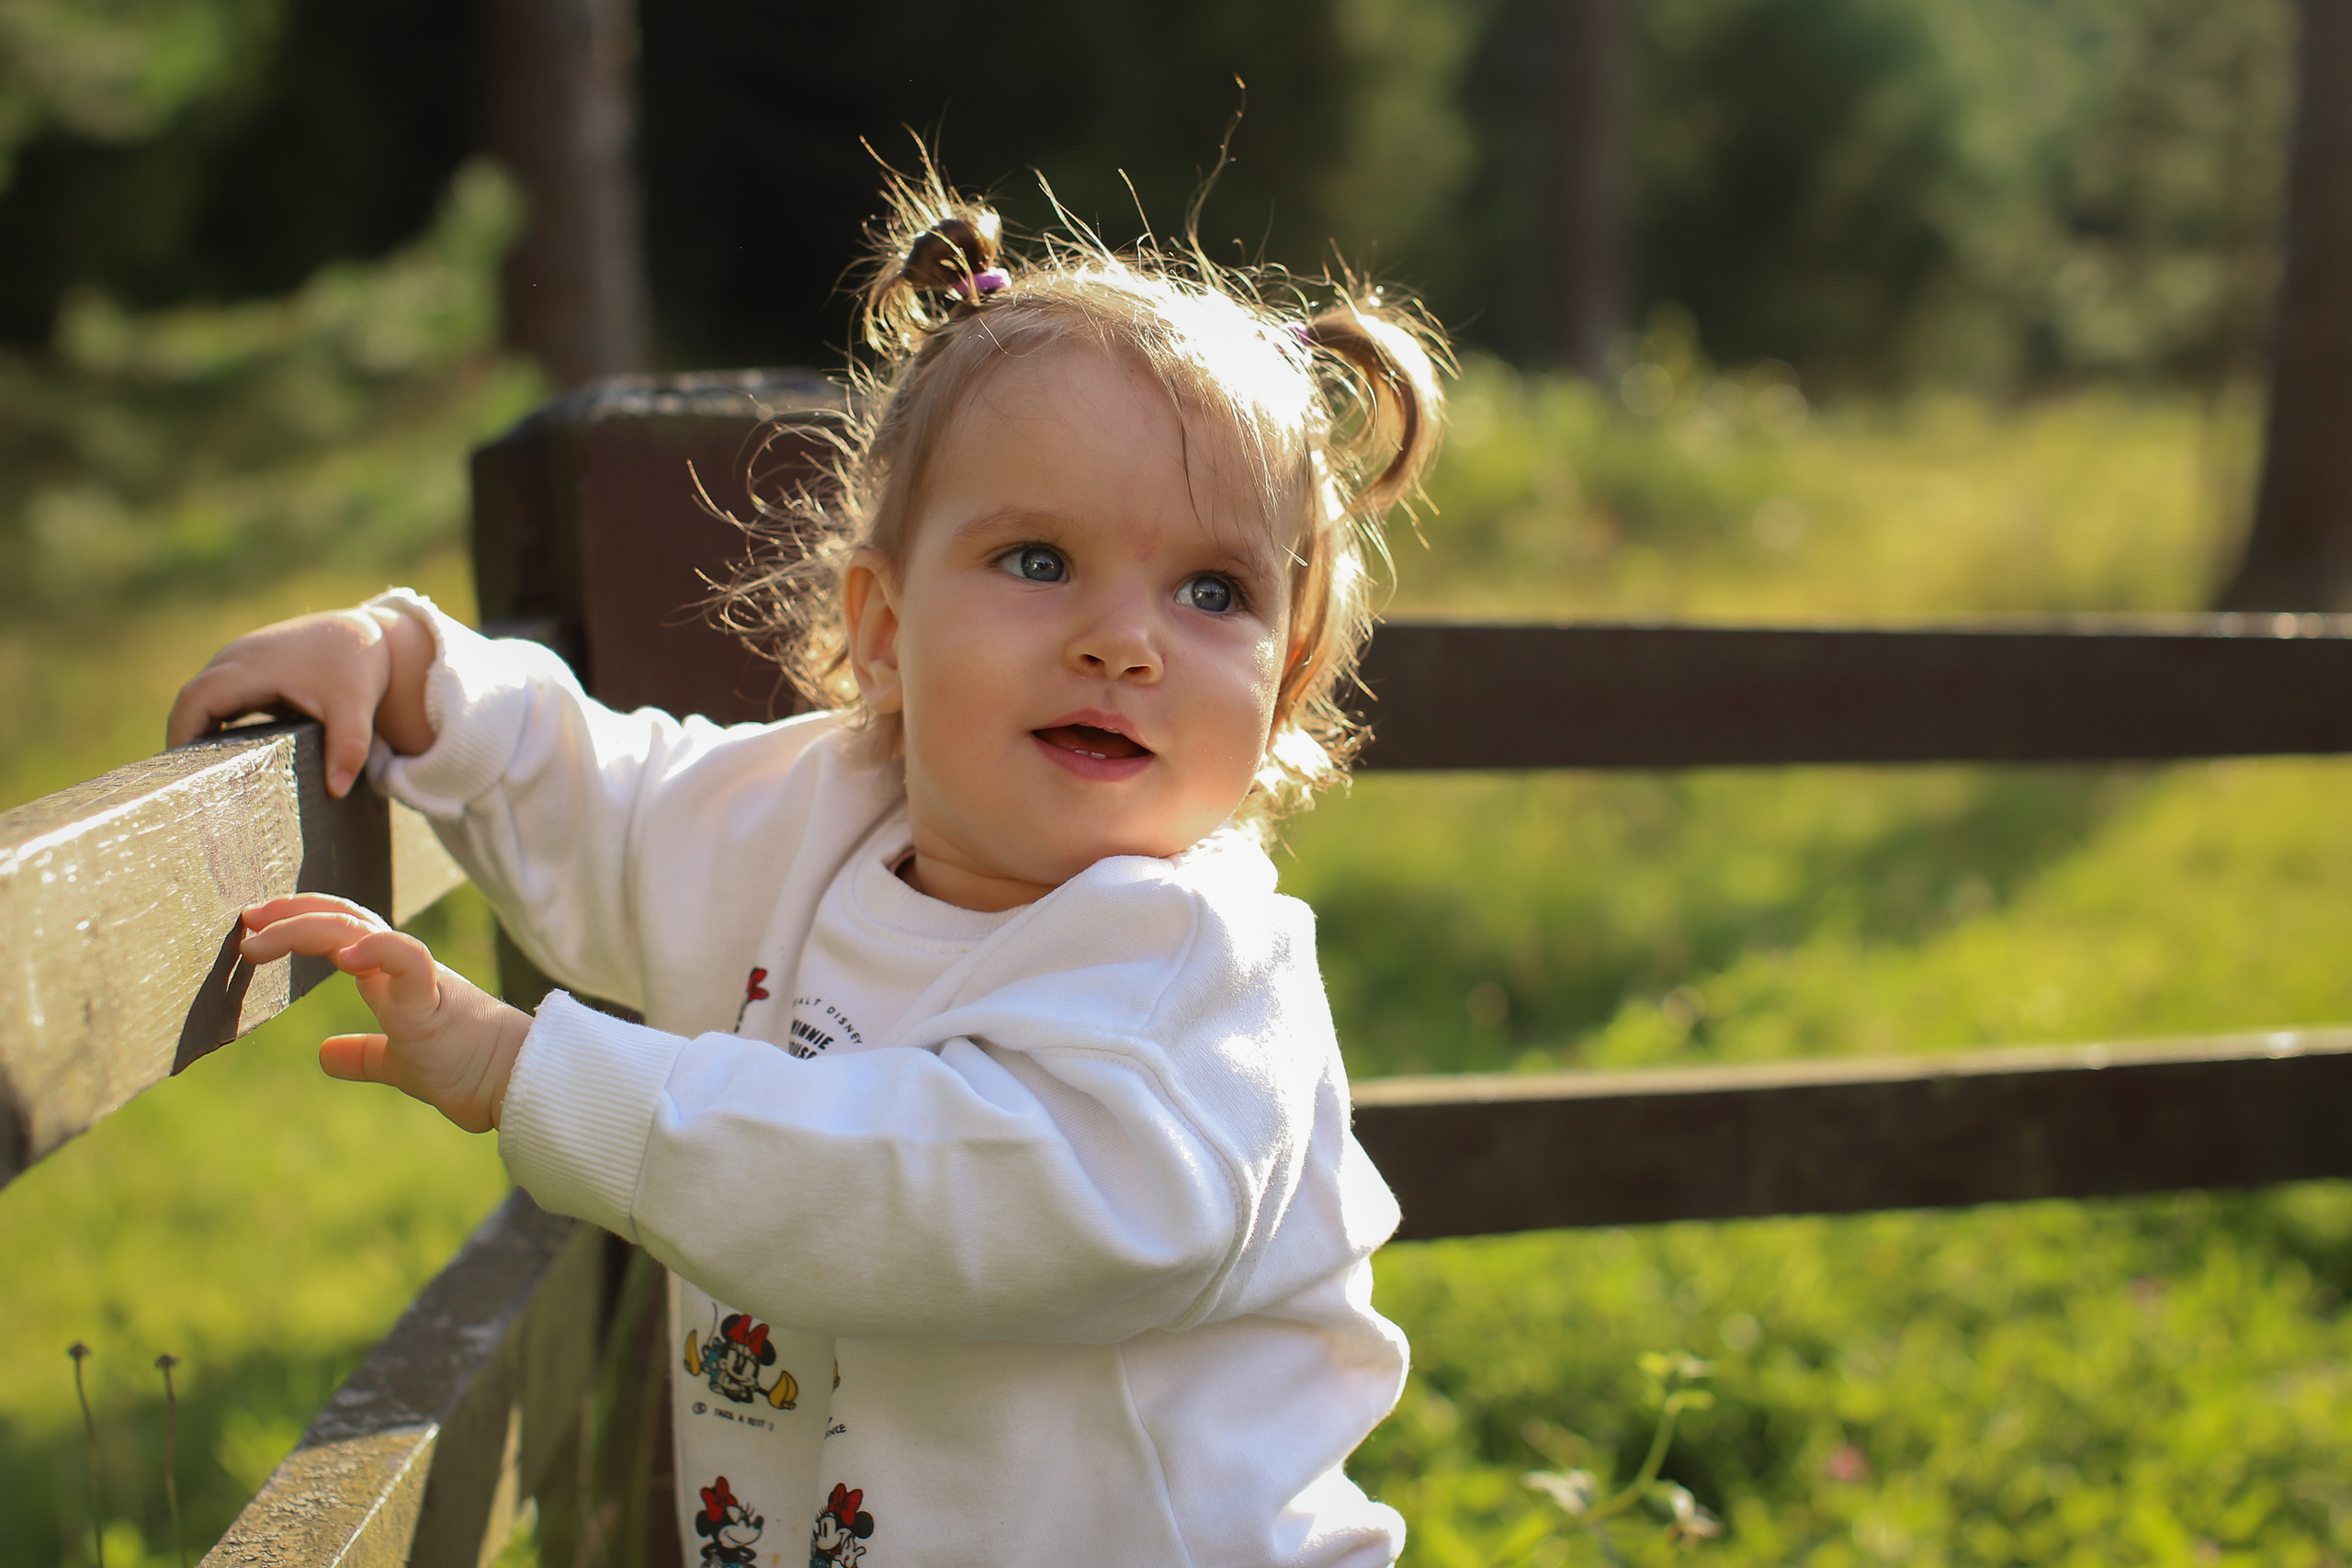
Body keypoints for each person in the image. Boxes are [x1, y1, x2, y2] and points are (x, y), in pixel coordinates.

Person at [168, 161, 1447, 1567]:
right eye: (1037, 560)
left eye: (1213, 592)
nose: (1123, 640)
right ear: (885, 626)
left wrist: (536, 1076)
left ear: (1284, 682)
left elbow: (944, 1200)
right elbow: (616, 793)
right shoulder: (815, 814)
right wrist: (416, 676)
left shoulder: (1201, 977)